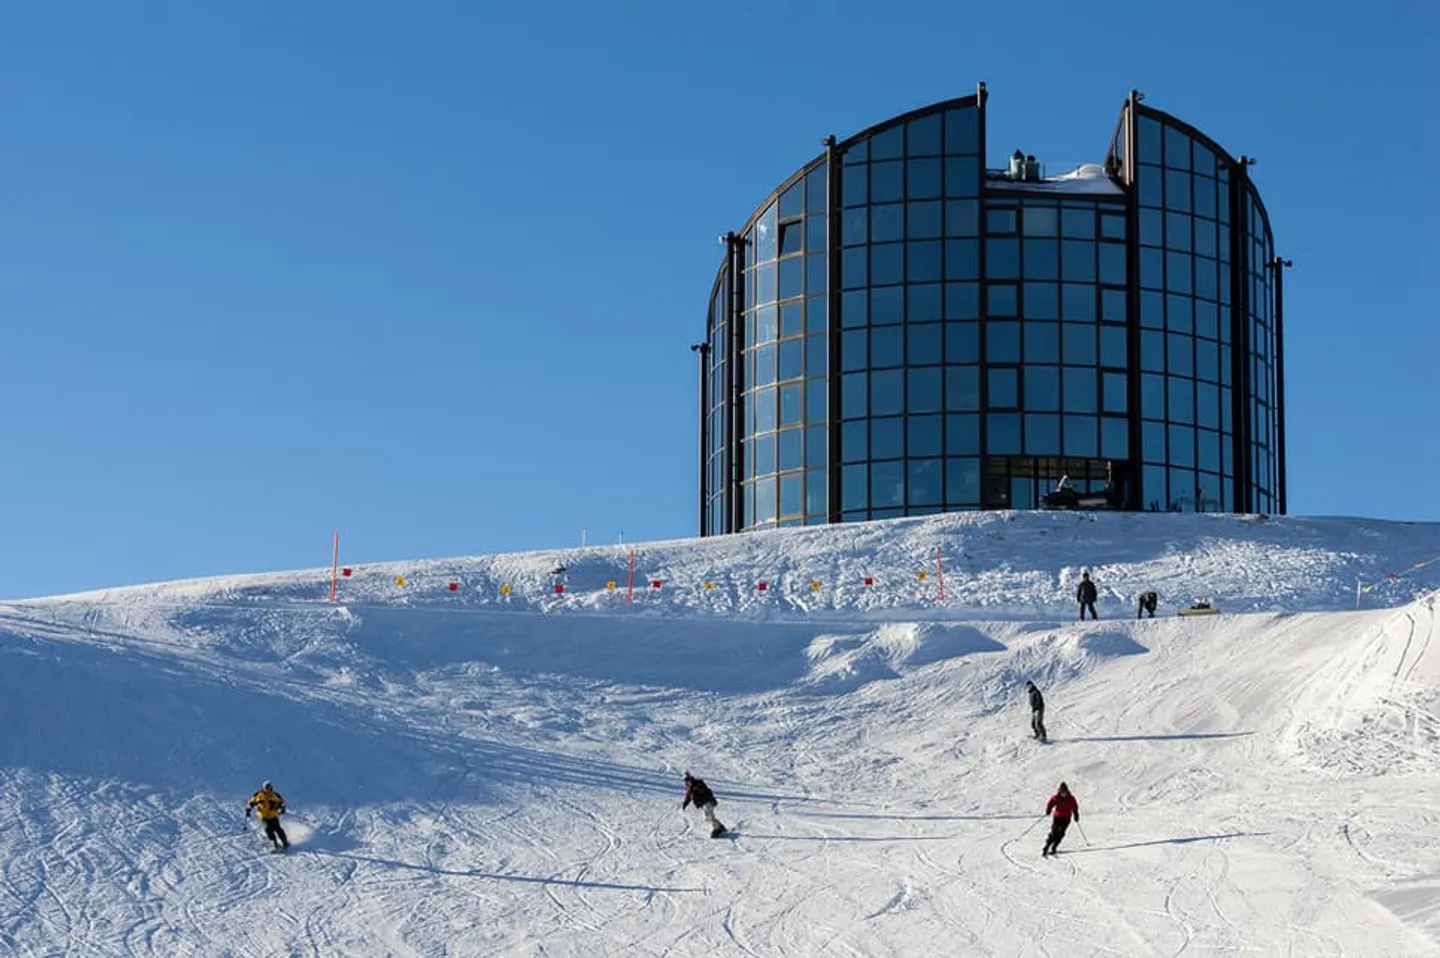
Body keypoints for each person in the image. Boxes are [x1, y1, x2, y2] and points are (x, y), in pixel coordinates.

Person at [246, 781, 289, 851]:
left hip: (273, 815)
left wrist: (282, 808)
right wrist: (248, 809)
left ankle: (285, 841)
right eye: (266, 788)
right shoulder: (258, 795)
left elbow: (282, 802)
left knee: (277, 828)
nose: (268, 789)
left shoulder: (275, 795)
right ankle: (274, 844)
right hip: (263, 816)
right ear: (263, 788)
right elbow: (251, 802)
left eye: (269, 788)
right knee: (268, 829)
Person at [681, 771, 727, 838]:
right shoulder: (689, 787)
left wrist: (697, 789)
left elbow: (707, 791)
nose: (687, 781)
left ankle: (716, 829)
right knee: (707, 818)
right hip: (703, 804)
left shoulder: (698, 783)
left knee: (709, 815)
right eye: (685, 780)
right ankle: (720, 827)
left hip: (708, 801)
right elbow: (689, 796)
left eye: (688, 779)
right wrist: (685, 803)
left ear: (691, 778)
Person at [1042, 782, 1079, 857]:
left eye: (1064, 792)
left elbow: (1075, 806)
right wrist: (1049, 809)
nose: (1063, 794)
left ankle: (1054, 846)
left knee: (1061, 833)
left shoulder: (1071, 798)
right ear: (1059, 791)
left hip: (1066, 818)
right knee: (1054, 832)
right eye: (1062, 792)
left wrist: (1076, 814)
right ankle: (1047, 846)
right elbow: (1051, 803)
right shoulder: (1056, 797)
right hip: (1057, 817)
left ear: (1067, 791)